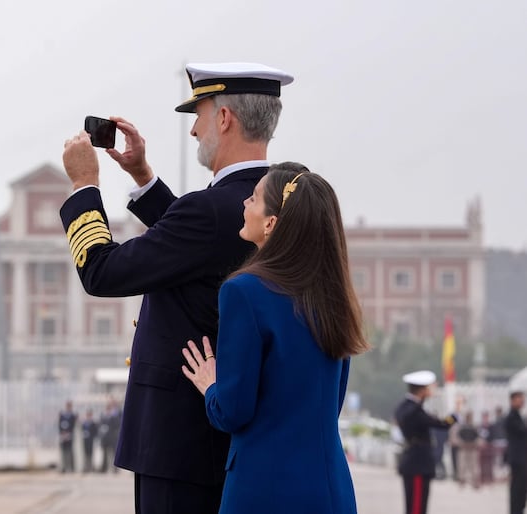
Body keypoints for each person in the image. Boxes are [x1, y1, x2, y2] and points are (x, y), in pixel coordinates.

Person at [59, 62, 293, 514]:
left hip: (178, 446)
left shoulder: (209, 212)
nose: (194, 132)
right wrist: (143, 177)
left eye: (198, 115)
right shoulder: (279, 199)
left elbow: (102, 273)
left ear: (224, 119)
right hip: (228, 440)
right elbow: (202, 245)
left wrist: (84, 186)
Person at [181, 165, 369, 513]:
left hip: (263, 490)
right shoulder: (333, 297)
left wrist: (210, 385)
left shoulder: (244, 292)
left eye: (253, 198)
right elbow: (331, 403)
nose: (244, 204)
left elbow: (233, 411)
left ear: (271, 223)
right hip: (330, 491)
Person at [394, 370, 457, 514]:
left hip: (416, 462)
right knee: (417, 508)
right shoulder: (414, 410)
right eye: (430, 387)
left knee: (416, 507)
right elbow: (442, 424)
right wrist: (455, 415)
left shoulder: (407, 407)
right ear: (423, 390)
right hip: (418, 464)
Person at [506, 391, 527, 514]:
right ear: (513, 400)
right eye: (520, 399)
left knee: (521, 490)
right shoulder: (512, 417)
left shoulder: (519, 416)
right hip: (518, 460)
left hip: (522, 459)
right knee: (517, 490)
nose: (522, 401)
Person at [456, 411, 481, 488]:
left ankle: (474, 481)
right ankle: (462, 480)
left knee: (474, 465)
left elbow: (478, 437)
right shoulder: (462, 427)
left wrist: (474, 444)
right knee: (462, 465)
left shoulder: (474, 427)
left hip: (472, 449)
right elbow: (458, 437)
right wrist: (462, 443)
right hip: (463, 448)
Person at [98, 398, 122, 474]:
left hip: (113, 436)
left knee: (113, 453)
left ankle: (115, 469)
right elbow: (100, 424)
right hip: (105, 437)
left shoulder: (116, 414)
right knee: (105, 453)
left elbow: (118, 424)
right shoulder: (103, 414)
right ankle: (104, 468)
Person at [58, 401, 77, 473]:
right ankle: (63, 467)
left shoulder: (72, 416)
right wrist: (62, 433)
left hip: (69, 436)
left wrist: (68, 433)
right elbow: (59, 425)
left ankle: (70, 467)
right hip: (63, 436)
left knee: (69, 452)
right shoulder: (62, 415)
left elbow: (73, 426)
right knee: (63, 453)